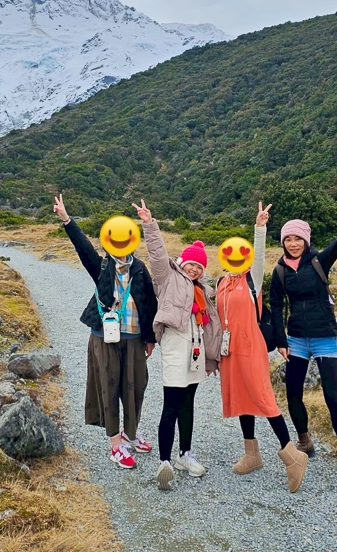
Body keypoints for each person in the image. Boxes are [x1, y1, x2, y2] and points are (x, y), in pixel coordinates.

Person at [269, 203, 337, 490]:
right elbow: (275, 307)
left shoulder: (319, 261)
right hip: (296, 339)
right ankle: (304, 440)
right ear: (283, 242)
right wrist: (280, 340)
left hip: (324, 335)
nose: (292, 244)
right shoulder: (279, 271)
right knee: (292, 394)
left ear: (306, 240)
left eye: (297, 239)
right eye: (288, 239)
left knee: (331, 397)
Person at [54, 194, 158, 469]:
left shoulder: (139, 268)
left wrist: (150, 338)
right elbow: (82, 247)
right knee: (109, 387)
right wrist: (67, 220)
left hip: (135, 339)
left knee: (136, 388)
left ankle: (131, 434)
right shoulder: (101, 266)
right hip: (104, 338)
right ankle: (115, 443)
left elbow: (149, 303)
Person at [215, 202, 307, 493]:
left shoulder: (251, 278)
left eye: (240, 256)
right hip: (229, 351)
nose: (235, 260)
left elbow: (258, 252)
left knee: (263, 398)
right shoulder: (220, 283)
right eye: (229, 255)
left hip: (251, 346)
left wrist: (260, 226)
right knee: (242, 398)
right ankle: (252, 454)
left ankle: (292, 456)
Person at [134, 200, 223, 491]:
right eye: (191, 264)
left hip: (196, 351)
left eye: (199, 265)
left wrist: (212, 359)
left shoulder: (204, 291)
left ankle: (185, 455)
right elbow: (157, 254)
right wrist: (150, 224)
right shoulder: (168, 276)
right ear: (182, 263)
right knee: (171, 404)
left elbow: (212, 327)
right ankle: (165, 463)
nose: (195, 269)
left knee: (188, 403)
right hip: (175, 345)